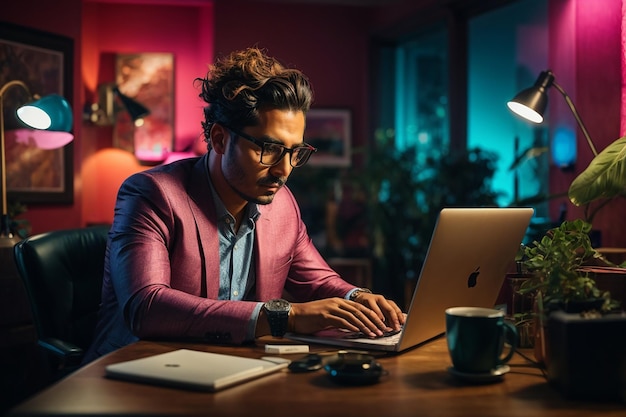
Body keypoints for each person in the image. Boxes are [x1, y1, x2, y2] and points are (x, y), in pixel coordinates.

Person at [83, 47, 404, 363]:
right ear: (220, 139)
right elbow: (147, 308)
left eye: (295, 152)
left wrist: (358, 298)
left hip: (233, 371)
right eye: (269, 148)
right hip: (134, 374)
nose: (284, 170)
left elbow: (318, 280)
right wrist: (285, 317)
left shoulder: (281, 205)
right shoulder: (152, 194)